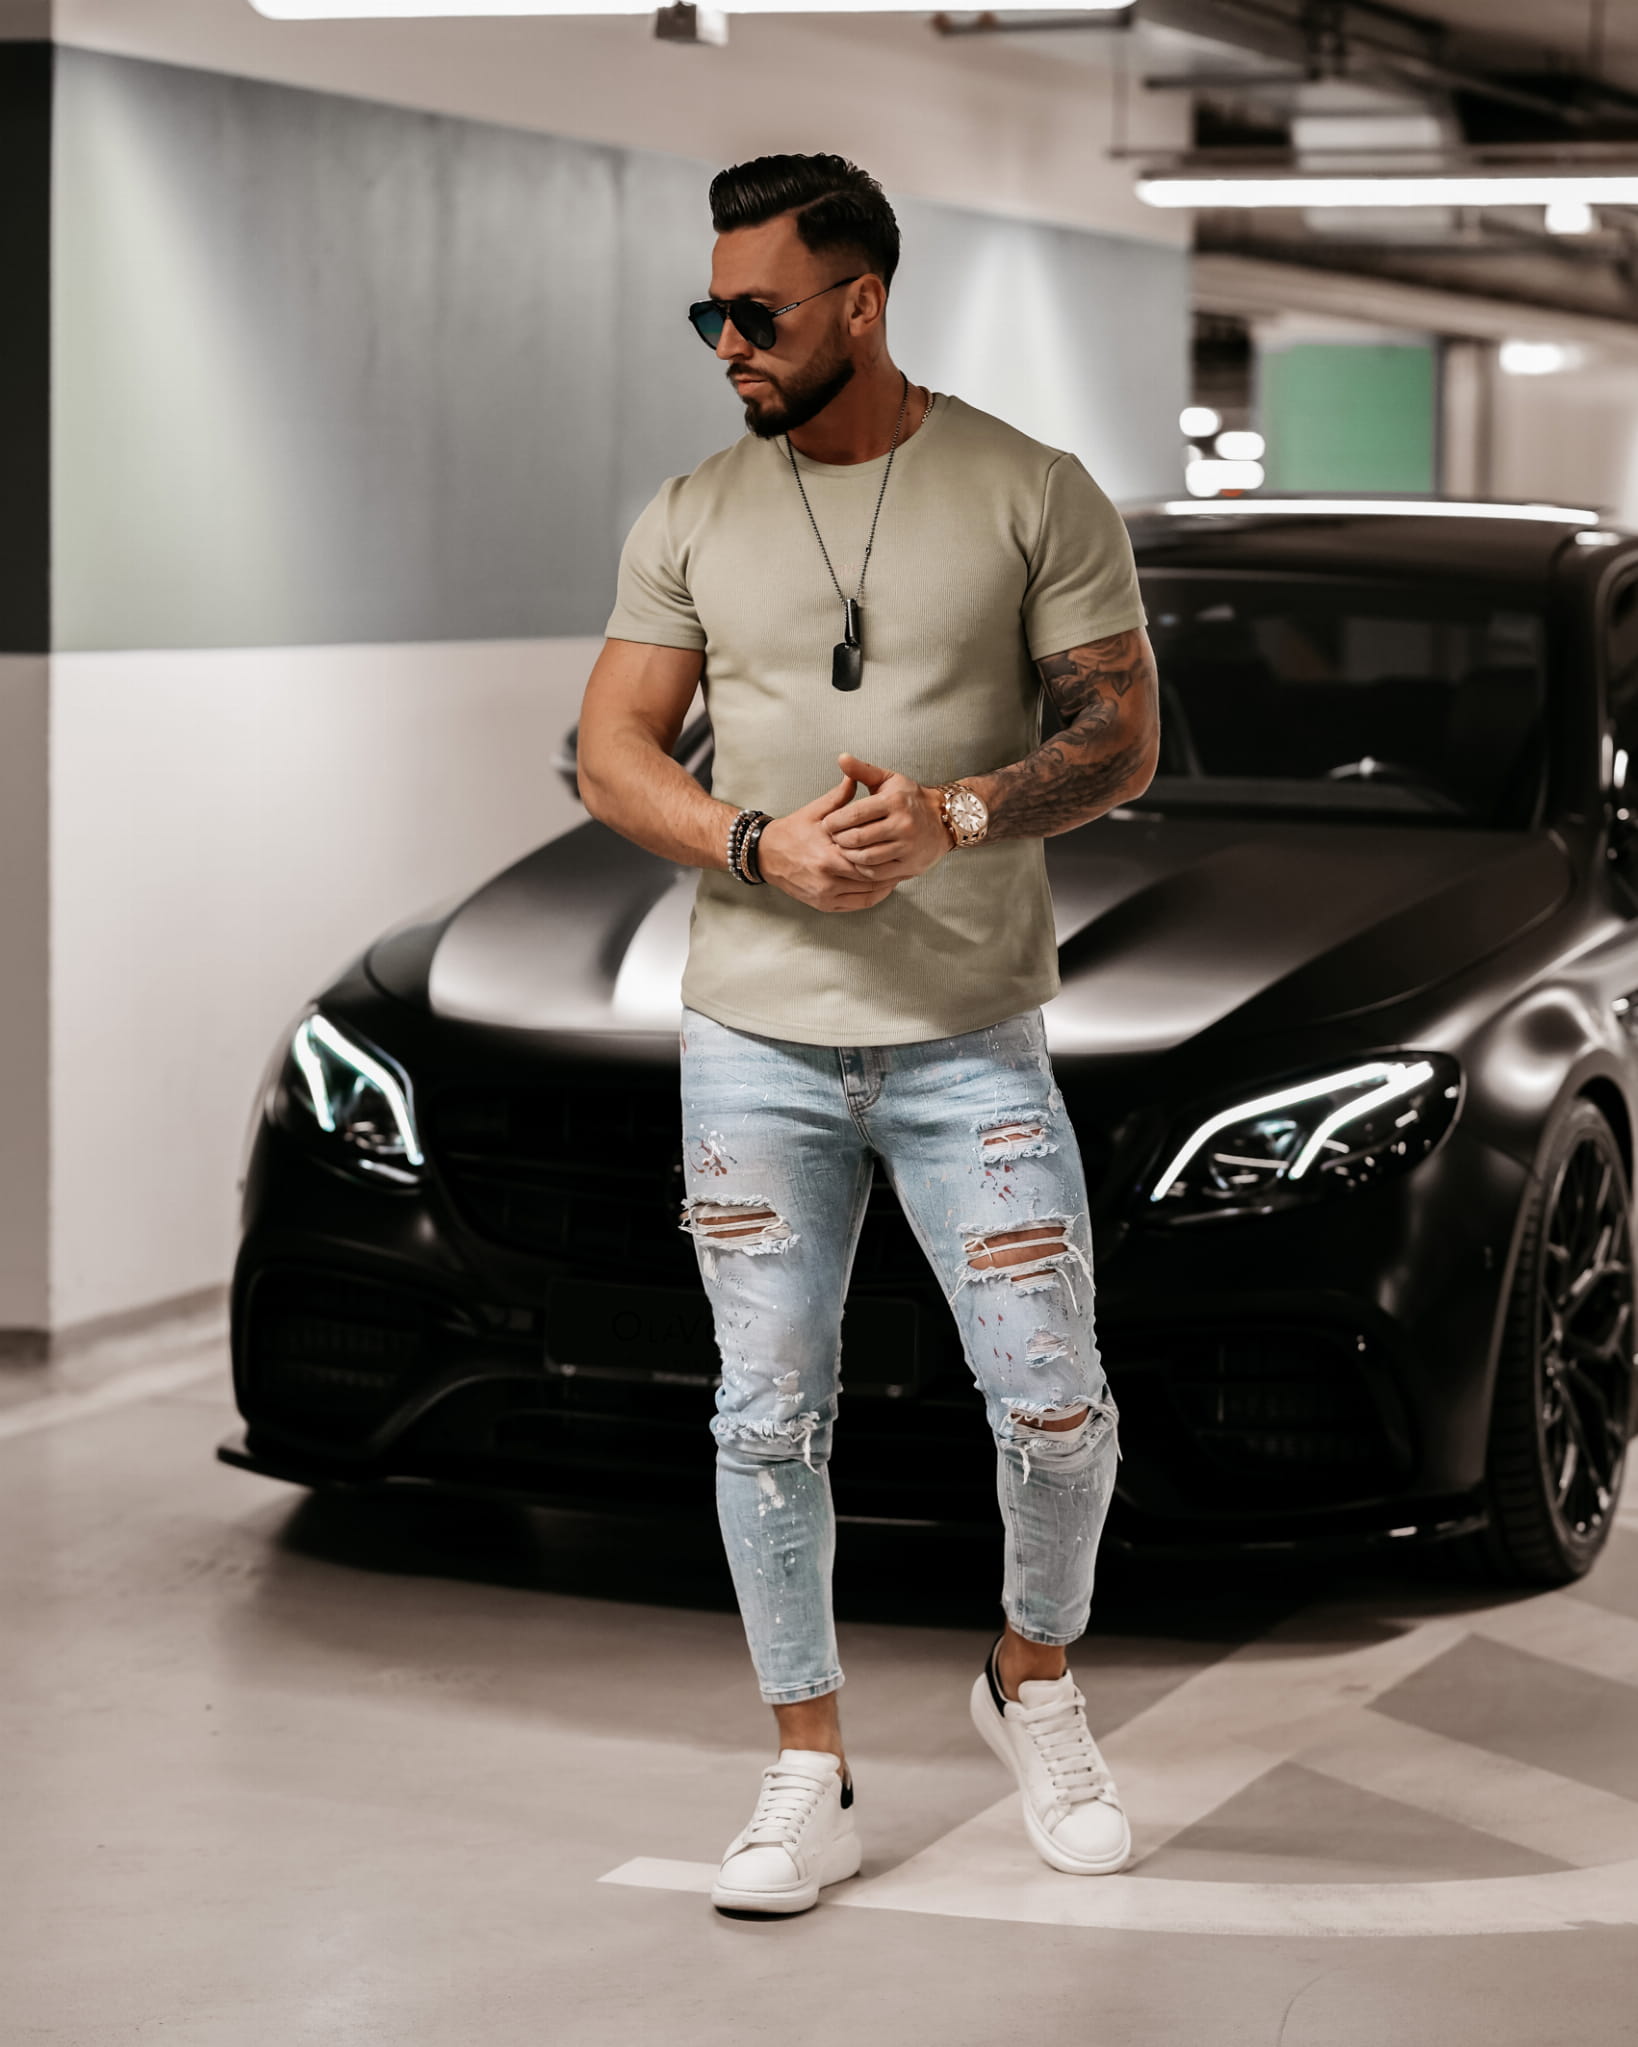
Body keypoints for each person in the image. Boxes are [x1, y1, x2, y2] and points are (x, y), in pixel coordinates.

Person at [578, 152, 1160, 1916]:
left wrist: (955, 816)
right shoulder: (691, 512)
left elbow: (1118, 739)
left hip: (969, 1038)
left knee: (1052, 1405)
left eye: (755, 312)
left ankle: (1029, 1683)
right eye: (708, 312)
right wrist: (754, 842)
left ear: (861, 301)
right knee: (765, 1417)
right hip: (751, 1042)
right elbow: (611, 753)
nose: (726, 344)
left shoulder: (1028, 488)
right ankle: (807, 1767)